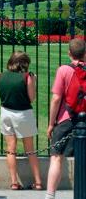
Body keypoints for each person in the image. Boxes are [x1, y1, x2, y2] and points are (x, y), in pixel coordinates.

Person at [45, 38, 86, 199]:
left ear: (69, 53)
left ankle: (50, 195)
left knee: (56, 158)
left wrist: (50, 123)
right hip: (84, 118)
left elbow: (56, 99)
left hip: (65, 118)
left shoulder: (63, 70)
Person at [0, 51, 42, 191]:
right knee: (30, 149)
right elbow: (31, 98)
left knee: (11, 149)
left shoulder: (0, 76)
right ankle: (38, 181)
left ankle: (14, 182)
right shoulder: (27, 76)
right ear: (25, 63)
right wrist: (33, 82)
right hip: (23, 113)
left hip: (6, 112)